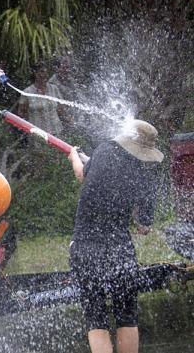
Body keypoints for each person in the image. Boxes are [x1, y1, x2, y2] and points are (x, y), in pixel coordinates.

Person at [67, 119, 163, 353]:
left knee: (96, 317)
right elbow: (143, 227)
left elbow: (82, 175)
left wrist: (72, 154)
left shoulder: (104, 150)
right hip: (120, 251)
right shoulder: (145, 178)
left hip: (85, 248)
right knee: (127, 315)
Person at [17, 61, 68, 137]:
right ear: (35, 73)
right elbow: (21, 113)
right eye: (41, 72)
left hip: (56, 132)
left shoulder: (54, 89)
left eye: (46, 72)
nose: (44, 75)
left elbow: (61, 110)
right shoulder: (27, 92)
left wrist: (70, 121)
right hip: (38, 135)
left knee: (55, 149)